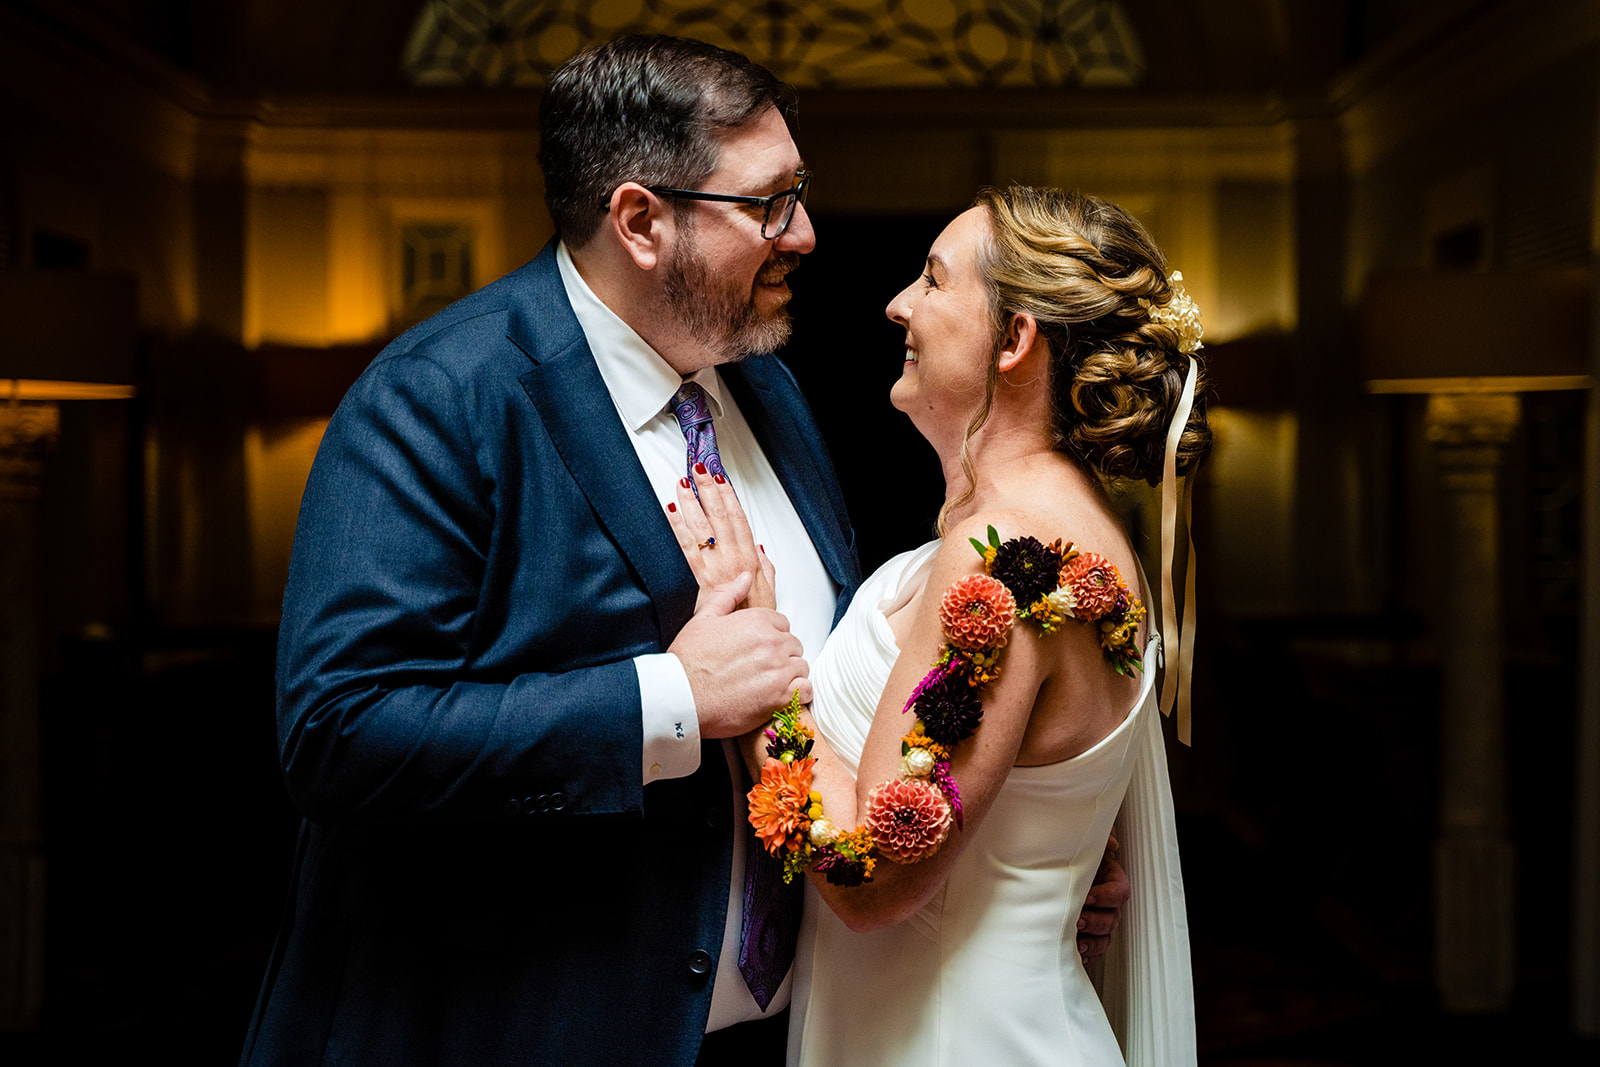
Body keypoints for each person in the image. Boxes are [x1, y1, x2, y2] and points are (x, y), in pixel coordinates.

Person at [240, 33, 1126, 1065]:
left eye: (799, 192)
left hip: (787, 1035)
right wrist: (669, 700)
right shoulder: (444, 397)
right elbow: (339, 731)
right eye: (766, 204)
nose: (802, 235)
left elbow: (856, 701)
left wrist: (1006, 842)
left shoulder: (765, 391)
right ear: (641, 219)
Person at [667, 185, 1203, 1064]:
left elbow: (873, 877)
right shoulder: (1055, 525)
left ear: (1015, 339)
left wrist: (757, 679)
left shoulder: (1009, 554)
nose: (898, 304)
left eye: (933, 280)